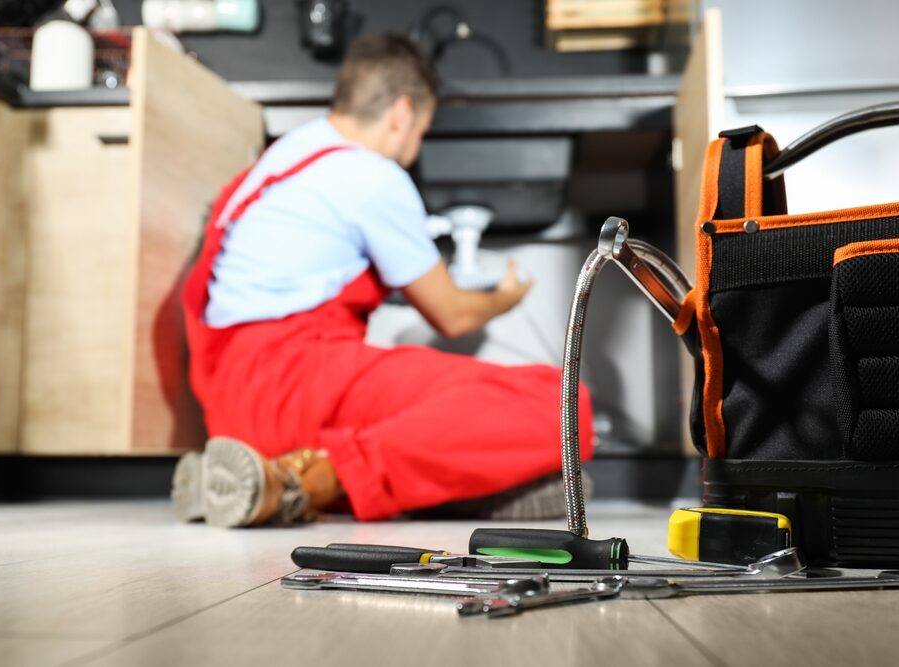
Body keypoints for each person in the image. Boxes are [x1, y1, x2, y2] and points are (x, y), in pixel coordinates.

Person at [173, 32, 594, 528]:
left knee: (551, 473)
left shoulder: (284, 157)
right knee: (562, 406)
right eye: (420, 133)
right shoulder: (371, 175)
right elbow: (453, 314)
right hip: (294, 385)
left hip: (225, 403)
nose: (414, 151)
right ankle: (305, 482)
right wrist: (504, 298)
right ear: (401, 113)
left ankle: (259, 474)